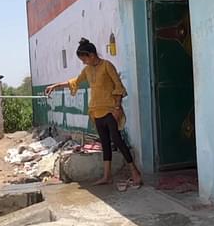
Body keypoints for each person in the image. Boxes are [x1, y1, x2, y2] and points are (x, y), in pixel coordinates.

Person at [45, 38, 143, 188]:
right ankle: (106, 176)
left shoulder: (107, 66)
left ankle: (135, 173)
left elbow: (118, 86)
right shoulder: (87, 70)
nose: (83, 62)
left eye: (84, 58)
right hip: (96, 111)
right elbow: (75, 82)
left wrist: (117, 108)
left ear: (91, 55)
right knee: (105, 143)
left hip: (110, 110)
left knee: (117, 141)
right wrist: (56, 85)